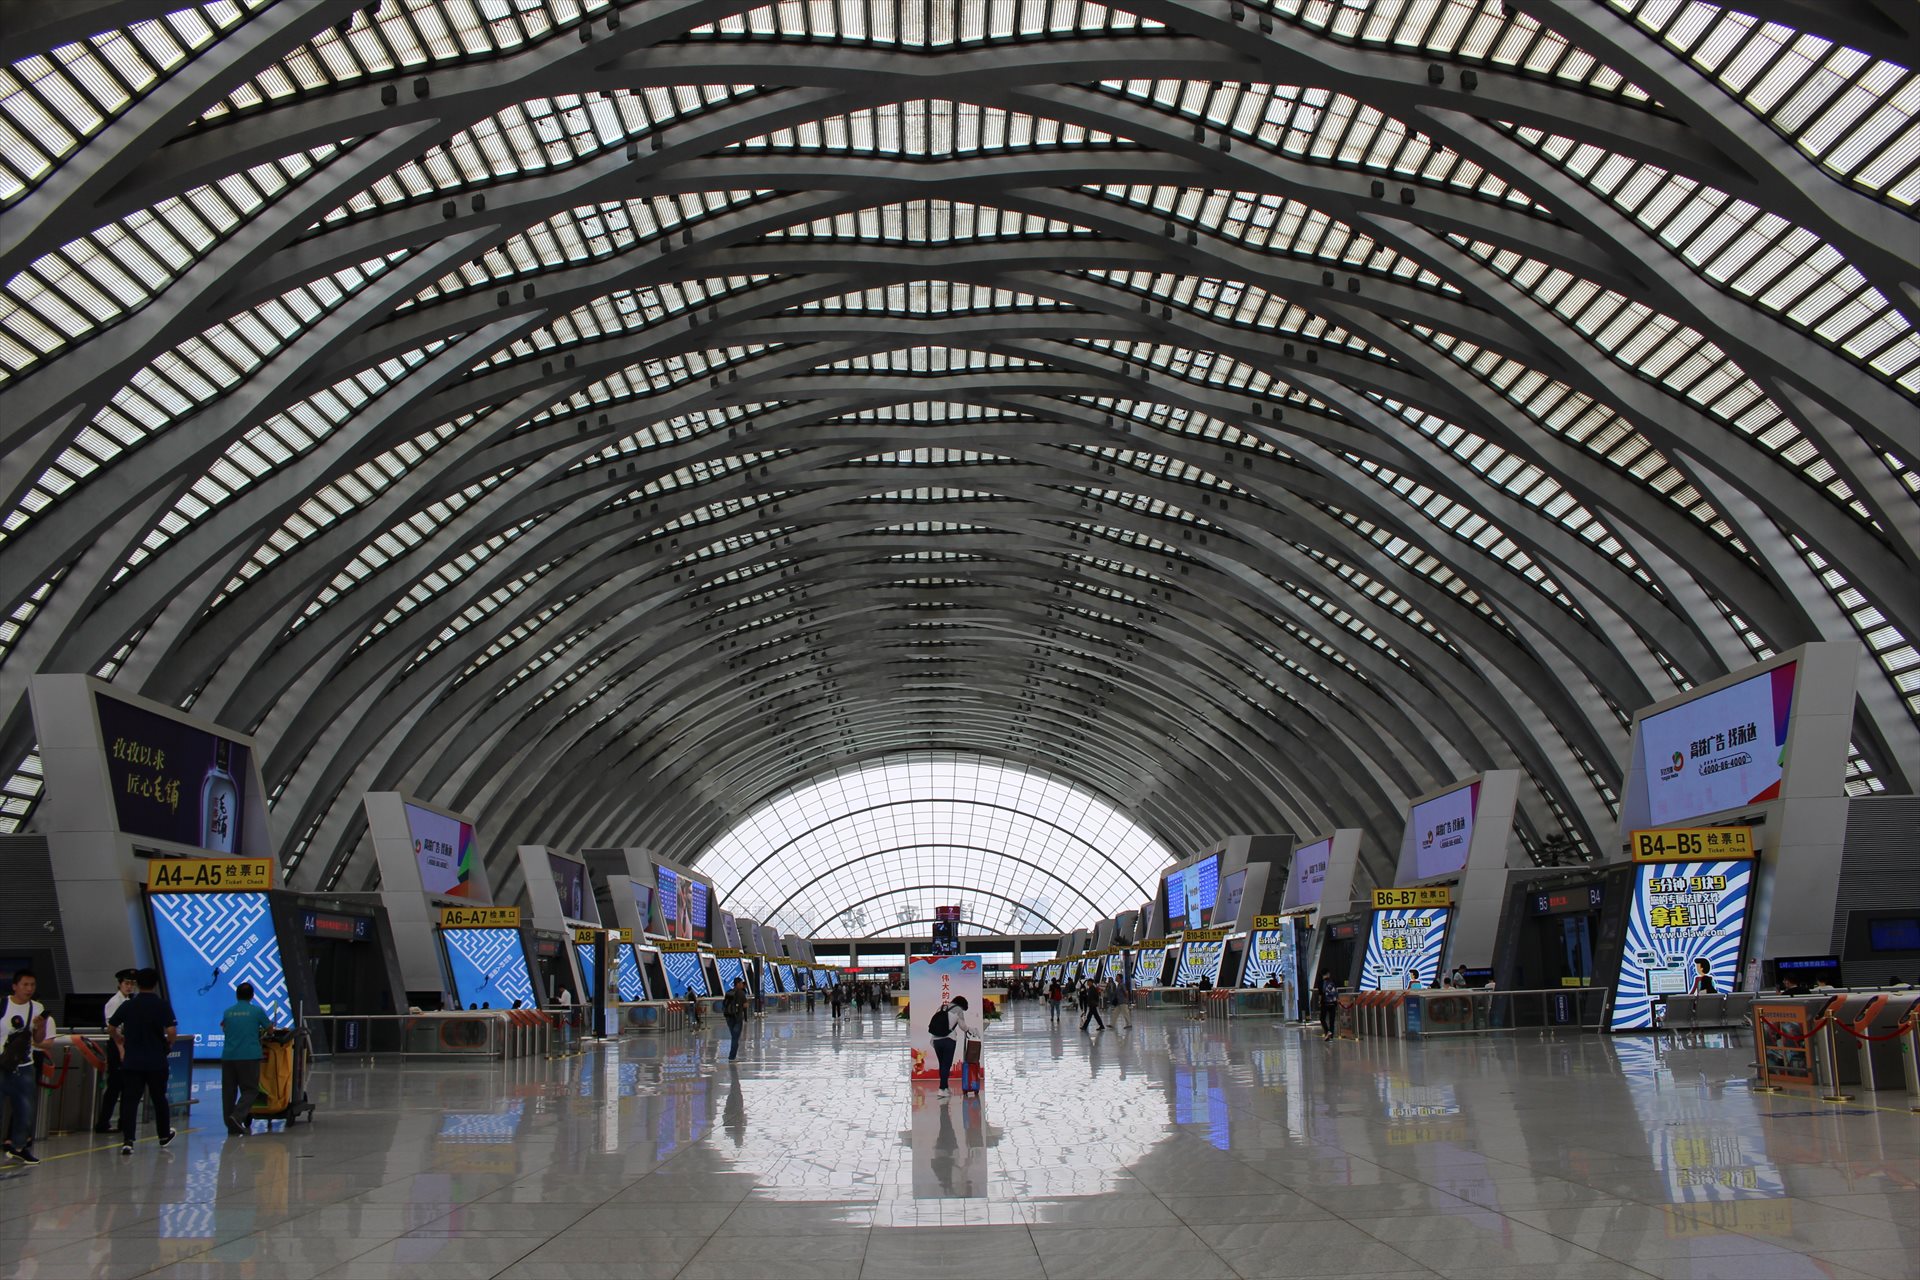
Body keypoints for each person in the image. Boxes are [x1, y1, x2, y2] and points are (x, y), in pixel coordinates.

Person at [108, 968, 177, 1155]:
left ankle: (128, 1140)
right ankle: (163, 1135)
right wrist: (168, 1045)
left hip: (133, 1060)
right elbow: (171, 1031)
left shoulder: (129, 1005)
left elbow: (111, 1027)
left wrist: (119, 1040)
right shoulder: (162, 1005)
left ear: (137, 984)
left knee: (130, 1100)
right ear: (155, 984)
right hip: (156, 1060)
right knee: (159, 1098)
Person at [2, 970, 57, 1165]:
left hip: (25, 1065)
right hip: (2, 1064)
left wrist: (40, 1027)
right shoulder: (3, 1005)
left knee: (25, 1110)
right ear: (14, 986)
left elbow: (39, 1040)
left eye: (32, 985)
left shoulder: (37, 1008)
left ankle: (18, 1147)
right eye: (25, 984)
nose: (29, 989)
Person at [219, 982, 273, 1136]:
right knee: (250, 1090)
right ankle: (237, 1117)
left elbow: (224, 1028)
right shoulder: (256, 1011)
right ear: (252, 996)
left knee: (228, 1092)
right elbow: (270, 1029)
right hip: (249, 1056)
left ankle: (230, 1125)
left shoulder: (228, 1012)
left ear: (236, 995)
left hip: (229, 1056)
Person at [95, 968, 138, 1134]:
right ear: (120, 984)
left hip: (128, 1044)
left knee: (127, 1087)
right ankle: (103, 1122)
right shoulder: (114, 1002)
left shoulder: (129, 1001)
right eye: (127, 983)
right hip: (117, 1045)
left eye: (132, 984)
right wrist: (121, 1050)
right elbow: (113, 1029)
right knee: (114, 1086)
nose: (129, 987)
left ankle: (124, 1122)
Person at [928, 995, 970, 1096]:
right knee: (946, 1065)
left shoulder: (942, 1007)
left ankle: (945, 1087)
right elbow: (962, 1026)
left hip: (936, 1040)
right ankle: (942, 1089)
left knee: (942, 1064)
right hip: (949, 1039)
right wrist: (969, 1030)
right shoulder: (958, 1009)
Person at [723, 977, 750, 1061]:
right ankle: (732, 1057)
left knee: (734, 1036)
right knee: (735, 1038)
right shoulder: (741, 993)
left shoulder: (728, 992)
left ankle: (732, 1056)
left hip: (729, 1017)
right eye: (741, 983)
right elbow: (745, 1005)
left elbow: (724, 1004)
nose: (742, 985)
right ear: (737, 984)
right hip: (737, 1018)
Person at [1319, 974, 1339, 1041]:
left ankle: (1327, 1031)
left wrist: (1319, 1002)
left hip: (1325, 1004)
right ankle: (1331, 1036)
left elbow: (1321, 993)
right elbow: (1336, 993)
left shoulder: (1323, 983)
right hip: (1333, 1003)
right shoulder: (1333, 983)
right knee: (1332, 1020)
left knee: (1322, 1018)